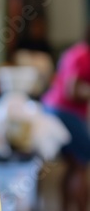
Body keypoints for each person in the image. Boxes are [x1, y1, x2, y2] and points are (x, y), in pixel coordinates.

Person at [42, 25, 90, 211]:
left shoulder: (76, 52)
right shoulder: (83, 56)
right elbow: (72, 90)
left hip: (55, 110)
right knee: (81, 164)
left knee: (72, 165)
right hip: (63, 112)